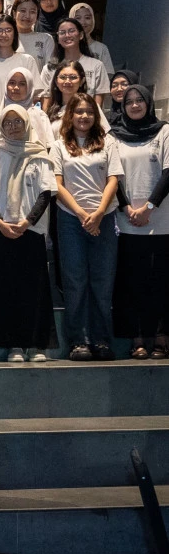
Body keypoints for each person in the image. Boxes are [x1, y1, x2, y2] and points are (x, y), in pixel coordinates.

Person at [0, 106, 58, 363]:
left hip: (31, 230)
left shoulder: (40, 154)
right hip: (1, 231)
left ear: (26, 123)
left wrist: (27, 222)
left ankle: (37, 345)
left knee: (34, 288)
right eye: (8, 122)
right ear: (1, 126)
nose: (13, 126)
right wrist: (0, 223)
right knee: (5, 288)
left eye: (17, 121)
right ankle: (13, 344)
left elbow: (46, 193)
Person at [50, 94, 122, 361]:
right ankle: (78, 340)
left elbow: (113, 180)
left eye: (89, 112)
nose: (83, 116)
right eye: (78, 112)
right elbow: (57, 185)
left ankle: (102, 340)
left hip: (105, 217)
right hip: (70, 219)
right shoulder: (59, 146)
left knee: (102, 283)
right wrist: (82, 214)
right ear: (70, 115)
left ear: (96, 115)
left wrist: (99, 212)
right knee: (75, 282)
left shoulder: (108, 143)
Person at [110, 85, 169, 358]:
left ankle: (160, 335)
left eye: (139, 101)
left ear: (148, 103)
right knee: (132, 284)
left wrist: (149, 207)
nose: (134, 105)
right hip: (126, 221)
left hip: (162, 220)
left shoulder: (164, 131)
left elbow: (168, 173)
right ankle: (137, 338)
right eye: (129, 102)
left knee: (160, 282)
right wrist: (126, 207)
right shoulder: (114, 136)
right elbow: (112, 175)